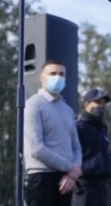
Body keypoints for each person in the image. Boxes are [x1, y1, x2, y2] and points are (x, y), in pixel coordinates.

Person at [25, 60, 83, 206]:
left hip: (66, 180)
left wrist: (71, 175)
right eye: (53, 73)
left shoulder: (67, 110)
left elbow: (76, 146)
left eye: (61, 74)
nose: (57, 77)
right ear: (42, 77)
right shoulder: (33, 105)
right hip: (42, 178)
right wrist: (70, 168)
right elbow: (36, 148)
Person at [74, 88, 111, 206]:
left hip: (101, 188)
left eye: (103, 103)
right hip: (84, 186)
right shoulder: (79, 127)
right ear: (87, 104)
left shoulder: (102, 129)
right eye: (97, 102)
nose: (101, 106)